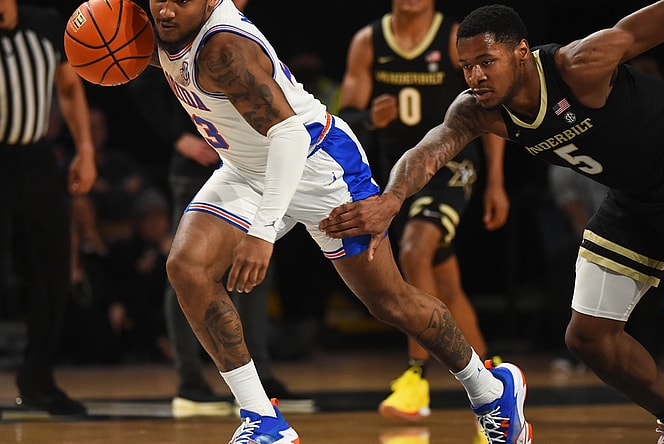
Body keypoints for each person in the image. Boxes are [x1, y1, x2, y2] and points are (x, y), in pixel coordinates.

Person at [319, 2, 664, 443]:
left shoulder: (579, 65)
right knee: (587, 338)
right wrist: (391, 198)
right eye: (466, 66)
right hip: (635, 197)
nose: (475, 76)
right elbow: (430, 148)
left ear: (521, 53)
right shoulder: (477, 108)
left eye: (487, 61)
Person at [146, 1, 531, 443]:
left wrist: (263, 232)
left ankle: (490, 390)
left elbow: (289, 134)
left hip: (317, 165)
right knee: (187, 268)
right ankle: (261, 420)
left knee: (390, 301)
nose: (168, 8)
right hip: (246, 168)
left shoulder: (224, 49)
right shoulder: (152, 26)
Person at [127, 0, 314, 415]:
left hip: (262, 161)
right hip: (203, 161)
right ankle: (190, 380)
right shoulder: (172, 29)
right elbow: (141, 85)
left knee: (251, 272)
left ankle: (258, 376)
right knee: (185, 270)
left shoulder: (226, 34)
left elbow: (285, 128)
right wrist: (178, 139)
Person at [339, 0, 509, 427]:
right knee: (444, 282)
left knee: (415, 248)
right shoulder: (368, 41)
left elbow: (489, 110)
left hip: (451, 167)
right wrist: (370, 119)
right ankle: (492, 377)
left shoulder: (455, 39)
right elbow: (347, 114)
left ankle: (417, 378)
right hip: (400, 175)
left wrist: (495, 183)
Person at [0, 0, 97, 415]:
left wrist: (86, 150)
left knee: (54, 270)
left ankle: (38, 378)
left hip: (36, 159)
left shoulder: (46, 23)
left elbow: (70, 86)